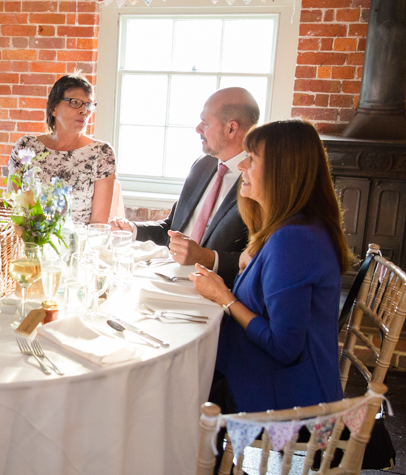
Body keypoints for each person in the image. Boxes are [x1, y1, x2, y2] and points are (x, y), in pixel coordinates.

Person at [190, 119, 351, 413]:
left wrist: (223, 297)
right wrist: (251, 264)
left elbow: (283, 346)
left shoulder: (294, 240)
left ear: (282, 171)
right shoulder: (295, 228)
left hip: (281, 396)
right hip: (272, 374)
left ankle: (196, 457)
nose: (241, 167)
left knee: (173, 391)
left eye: (251, 159)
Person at [110, 87, 258, 287]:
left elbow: (258, 260)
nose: (198, 129)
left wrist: (208, 258)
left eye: (205, 123)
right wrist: (132, 229)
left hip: (219, 293)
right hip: (170, 278)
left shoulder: (258, 178)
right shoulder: (203, 165)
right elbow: (171, 229)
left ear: (231, 128)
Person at [8, 74, 116, 225]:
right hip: (30, 242)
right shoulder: (26, 147)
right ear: (54, 108)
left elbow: (98, 225)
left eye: (89, 105)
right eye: (75, 102)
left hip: (78, 245)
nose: (84, 111)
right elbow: (12, 210)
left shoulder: (102, 153)